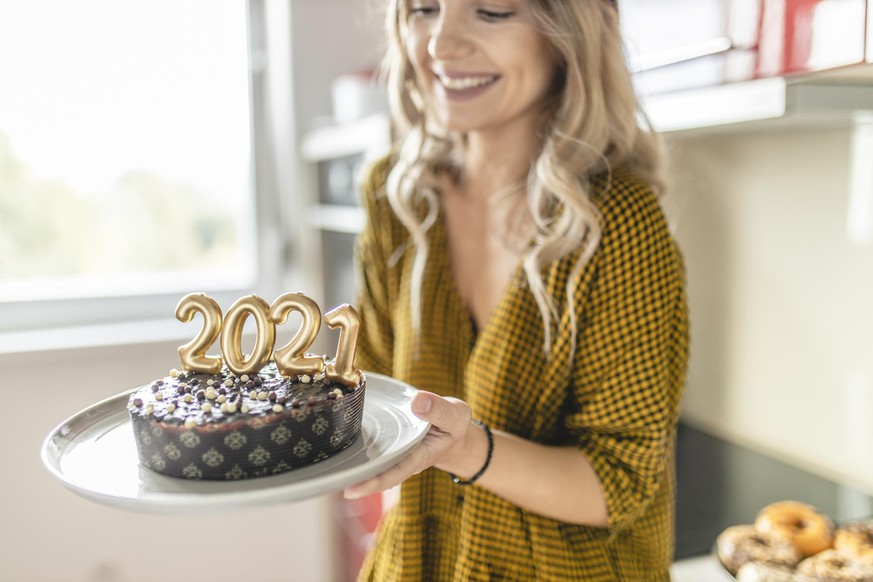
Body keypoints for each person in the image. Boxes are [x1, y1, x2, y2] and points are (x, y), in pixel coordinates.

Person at [343, 0, 689, 579]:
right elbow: (378, 409)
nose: (440, 45)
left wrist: (463, 448)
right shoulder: (397, 196)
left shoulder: (619, 223)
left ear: (567, 35)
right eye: (424, 9)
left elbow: (618, 485)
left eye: (493, 12)